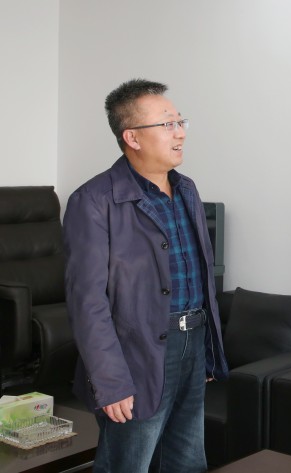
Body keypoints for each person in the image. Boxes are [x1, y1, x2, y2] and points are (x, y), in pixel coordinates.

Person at [64, 79, 228, 473]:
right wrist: (110, 380)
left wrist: (206, 351)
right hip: (136, 353)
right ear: (132, 137)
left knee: (187, 461)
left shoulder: (186, 190)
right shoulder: (94, 200)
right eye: (168, 124)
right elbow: (87, 301)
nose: (180, 132)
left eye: (180, 122)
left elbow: (200, 279)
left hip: (192, 343)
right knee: (128, 464)